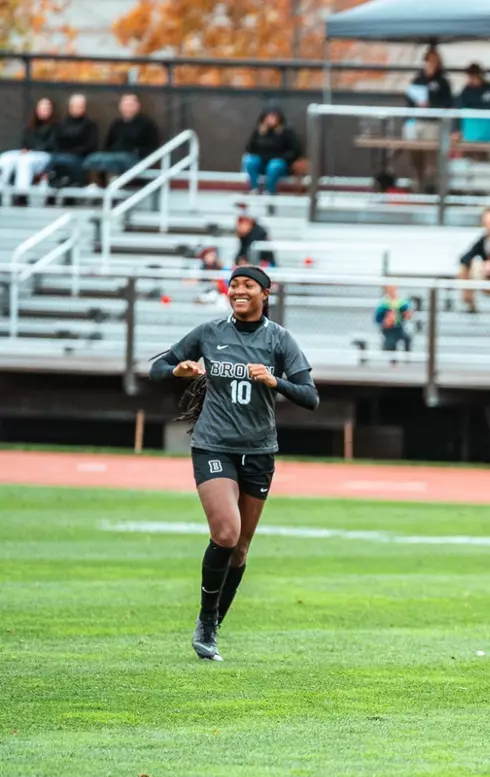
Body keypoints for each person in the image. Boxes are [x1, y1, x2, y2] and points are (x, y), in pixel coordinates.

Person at [147, 265, 319, 660]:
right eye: (235, 285)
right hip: (214, 446)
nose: (239, 291)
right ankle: (205, 621)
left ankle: (213, 628)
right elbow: (156, 368)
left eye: (248, 286)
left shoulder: (280, 340)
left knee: (240, 549)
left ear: (266, 294)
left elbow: (310, 397)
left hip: (259, 451)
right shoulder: (210, 332)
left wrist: (276, 381)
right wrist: (178, 368)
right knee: (225, 533)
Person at [82, 93, 160, 187]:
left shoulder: (147, 124)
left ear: (138, 106)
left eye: (131, 105)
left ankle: (115, 184)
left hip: (133, 158)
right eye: (125, 105)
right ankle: (95, 185)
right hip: (114, 155)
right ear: (120, 107)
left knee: (118, 160)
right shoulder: (117, 124)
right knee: (92, 159)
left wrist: (137, 151)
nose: (128, 108)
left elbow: (153, 147)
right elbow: (108, 144)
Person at [404, 48, 452, 192]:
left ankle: (433, 187)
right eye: (429, 61)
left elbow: (447, 103)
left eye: (434, 61)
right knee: (415, 154)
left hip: (434, 123)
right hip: (417, 122)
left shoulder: (443, 82)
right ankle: (417, 184)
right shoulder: (418, 80)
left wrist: (431, 104)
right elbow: (409, 100)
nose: (431, 64)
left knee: (432, 157)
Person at [0, 98, 58, 203]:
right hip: (27, 153)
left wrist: (31, 150)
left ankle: (21, 195)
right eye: (41, 108)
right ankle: (1, 190)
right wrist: (25, 149)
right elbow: (25, 142)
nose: (44, 110)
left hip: (44, 156)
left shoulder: (56, 127)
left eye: (47, 108)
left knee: (25, 162)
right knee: (6, 158)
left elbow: (51, 145)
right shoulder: (30, 126)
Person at [242, 108, 302, 196]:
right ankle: (255, 189)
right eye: (269, 117)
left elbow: (296, 151)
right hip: (261, 162)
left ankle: (270, 191)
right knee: (250, 161)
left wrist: (283, 158)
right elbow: (249, 148)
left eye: (274, 117)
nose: (271, 119)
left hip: (279, 163)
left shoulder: (286, 131)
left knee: (274, 166)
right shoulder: (259, 131)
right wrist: (261, 133)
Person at [46, 94, 97, 190]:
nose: (77, 108)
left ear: (84, 107)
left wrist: (74, 152)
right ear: (70, 107)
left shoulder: (90, 125)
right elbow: (55, 141)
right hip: (60, 155)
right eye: (74, 106)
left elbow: (91, 145)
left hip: (79, 157)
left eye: (80, 106)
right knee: (52, 160)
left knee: (64, 161)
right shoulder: (61, 123)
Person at [376, 285, 414, 351]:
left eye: (393, 289)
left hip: (399, 328)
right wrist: (385, 322)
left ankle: (407, 358)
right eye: (390, 289)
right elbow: (378, 319)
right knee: (391, 343)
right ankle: (391, 358)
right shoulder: (383, 304)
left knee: (407, 338)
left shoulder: (401, 302)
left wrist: (406, 315)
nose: (392, 291)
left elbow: (407, 315)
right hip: (388, 330)